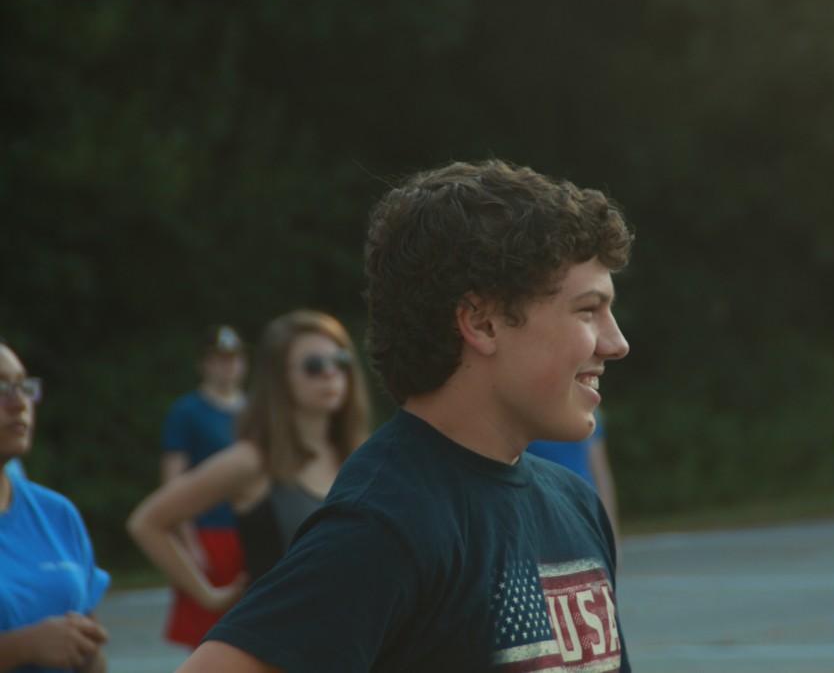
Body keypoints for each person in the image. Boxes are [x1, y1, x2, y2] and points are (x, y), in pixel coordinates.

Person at [177, 159, 634, 672]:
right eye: (587, 310)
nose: (616, 343)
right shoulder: (388, 521)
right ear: (481, 322)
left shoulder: (574, 504)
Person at [128, 310, 372, 614]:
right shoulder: (252, 460)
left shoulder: (364, 457)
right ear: (280, 377)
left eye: (341, 361)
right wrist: (210, 597)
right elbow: (147, 522)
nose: (330, 373)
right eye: (314, 365)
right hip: (283, 645)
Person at [0, 339, 110, 672]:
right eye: (1, 388)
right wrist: (20, 648)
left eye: (23, 386)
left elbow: (90, 653)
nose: (19, 403)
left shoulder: (57, 513)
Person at [159, 325, 248, 649]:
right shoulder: (187, 412)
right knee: (207, 637)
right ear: (205, 364)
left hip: (248, 528)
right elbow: (174, 480)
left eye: (234, 358)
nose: (228, 366)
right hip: (208, 533)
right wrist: (188, 541)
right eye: (219, 359)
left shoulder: (254, 411)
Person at [527, 411, 620, 543]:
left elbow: (600, 473)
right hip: (542, 516)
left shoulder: (586, 410)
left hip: (586, 512)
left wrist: (611, 532)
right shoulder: (527, 410)